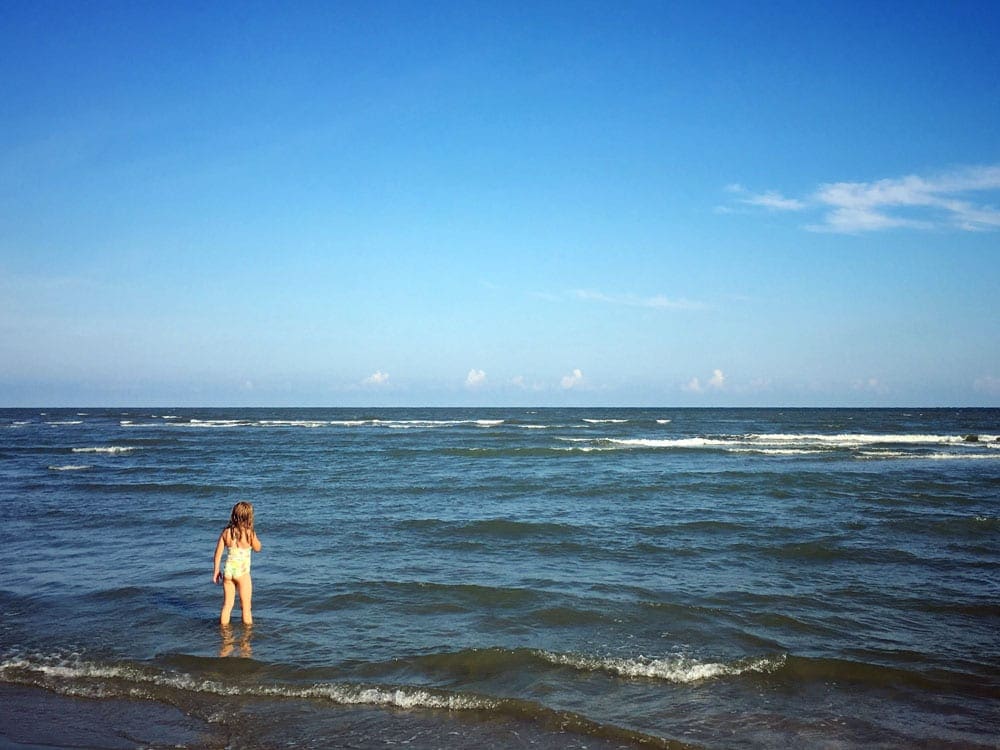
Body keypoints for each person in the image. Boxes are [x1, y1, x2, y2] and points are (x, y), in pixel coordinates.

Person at [212, 501, 262, 626]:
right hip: (242, 573)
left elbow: (218, 553)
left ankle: (224, 634)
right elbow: (258, 548)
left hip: (228, 571)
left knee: (227, 605)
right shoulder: (249, 533)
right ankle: (246, 640)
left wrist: (216, 571)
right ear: (249, 517)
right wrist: (254, 537)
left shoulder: (226, 532)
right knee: (246, 607)